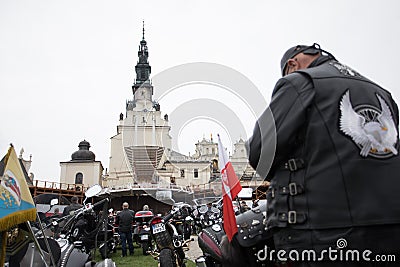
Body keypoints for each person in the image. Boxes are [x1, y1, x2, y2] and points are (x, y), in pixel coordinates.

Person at [246, 43, 400, 266]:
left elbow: (261, 152)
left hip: (321, 234)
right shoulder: (383, 93)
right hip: (389, 232)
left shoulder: (300, 82)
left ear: (293, 64)